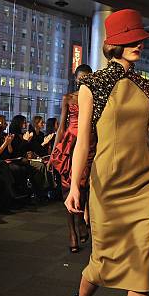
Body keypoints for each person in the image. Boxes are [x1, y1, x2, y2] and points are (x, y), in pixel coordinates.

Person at [65, 9, 149, 296]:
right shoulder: (93, 85)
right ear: (114, 41)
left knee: (143, 266)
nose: (139, 43)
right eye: (132, 37)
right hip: (107, 183)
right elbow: (83, 141)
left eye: (141, 37)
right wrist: (76, 184)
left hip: (145, 182)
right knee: (102, 261)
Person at [51, 64, 94, 252]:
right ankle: (72, 232)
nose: (83, 80)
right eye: (81, 77)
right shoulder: (68, 98)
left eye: (87, 77)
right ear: (76, 79)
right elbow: (61, 125)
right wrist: (54, 150)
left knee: (82, 186)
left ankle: (81, 222)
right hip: (69, 143)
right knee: (66, 188)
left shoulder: (96, 99)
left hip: (90, 143)